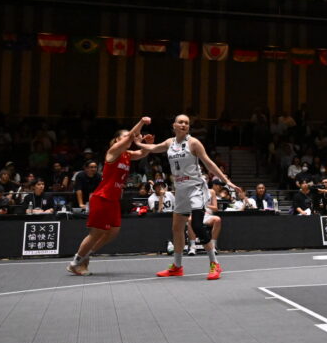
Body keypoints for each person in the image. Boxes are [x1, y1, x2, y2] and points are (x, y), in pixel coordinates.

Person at [131, 114, 243, 280]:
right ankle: (177, 266)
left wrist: (227, 181)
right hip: (180, 189)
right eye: (180, 122)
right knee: (177, 228)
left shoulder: (193, 143)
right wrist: (139, 143)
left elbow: (209, 163)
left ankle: (215, 264)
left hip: (195, 187)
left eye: (186, 123)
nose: (184, 124)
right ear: (174, 125)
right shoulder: (169, 143)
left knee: (197, 226)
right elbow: (153, 148)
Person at [67, 117, 151, 276]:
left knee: (113, 232)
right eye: (125, 136)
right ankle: (75, 262)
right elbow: (130, 137)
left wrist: (145, 143)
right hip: (102, 197)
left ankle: (86, 255)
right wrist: (141, 122)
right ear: (117, 140)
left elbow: (142, 153)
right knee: (96, 233)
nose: (130, 138)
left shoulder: (127, 154)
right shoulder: (112, 152)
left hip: (113, 200)